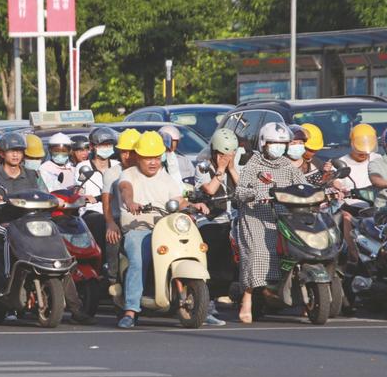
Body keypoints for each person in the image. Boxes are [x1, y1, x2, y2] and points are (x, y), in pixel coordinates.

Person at [0, 133, 94, 325]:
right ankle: (7, 284)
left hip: (35, 223)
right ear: (2, 154)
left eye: (19, 151)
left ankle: (76, 308)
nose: (16, 155)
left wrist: (58, 200)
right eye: (11, 151)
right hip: (5, 224)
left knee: (61, 254)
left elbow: (46, 194)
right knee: (7, 236)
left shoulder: (33, 175)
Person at [117, 131, 208, 329]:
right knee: (138, 261)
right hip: (138, 227)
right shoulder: (128, 174)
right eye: (148, 157)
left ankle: (205, 305)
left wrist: (194, 205)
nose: (153, 162)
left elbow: (177, 199)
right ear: (138, 157)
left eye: (157, 157)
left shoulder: (165, 177)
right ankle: (131, 310)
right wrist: (131, 202)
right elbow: (125, 189)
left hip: (165, 227)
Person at [234, 122, 306, 324]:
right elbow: (240, 192)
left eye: (282, 144)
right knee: (258, 253)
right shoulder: (253, 165)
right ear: (264, 143)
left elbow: (303, 185)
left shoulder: (287, 166)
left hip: (284, 216)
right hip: (256, 215)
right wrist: (255, 194)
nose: (279, 147)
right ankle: (246, 299)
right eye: (274, 143)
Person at [195, 128, 241, 326]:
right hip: (210, 221)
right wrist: (221, 170)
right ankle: (207, 306)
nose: (226, 158)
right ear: (214, 152)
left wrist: (231, 168)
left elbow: (242, 189)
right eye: (222, 154)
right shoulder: (203, 167)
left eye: (229, 154)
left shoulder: (235, 166)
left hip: (231, 219)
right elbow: (210, 190)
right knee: (214, 258)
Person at [337, 123, 381, 265]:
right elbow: (335, 180)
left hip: (376, 207)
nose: (363, 155)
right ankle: (353, 256)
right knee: (345, 218)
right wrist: (338, 187)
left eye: (365, 152)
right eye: (359, 152)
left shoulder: (378, 160)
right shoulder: (342, 162)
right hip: (352, 209)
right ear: (351, 144)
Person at [76, 127, 120, 268]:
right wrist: (86, 197)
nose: (106, 148)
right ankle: (105, 265)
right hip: (92, 212)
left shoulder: (117, 166)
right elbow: (79, 192)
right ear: (93, 147)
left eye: (109, 145)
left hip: (115, 210)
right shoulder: (83, 167)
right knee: (102, 223)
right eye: (102, 145)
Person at [102, 128, 140, 281]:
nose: (127, 156)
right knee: (113, 238)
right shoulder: (112, 173)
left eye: (131, 152)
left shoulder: (150, 170)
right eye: (123, 152)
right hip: (120, 218)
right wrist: (110, 223)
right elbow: (106, 202)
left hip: (147, 217)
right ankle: (113, 279)